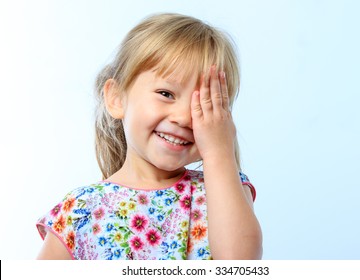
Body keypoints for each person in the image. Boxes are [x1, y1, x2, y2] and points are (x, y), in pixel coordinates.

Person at [36, 13, 262, 260]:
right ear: (117, 98)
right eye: (166, 93)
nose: (184, 118)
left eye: (205, 104)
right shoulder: (79, 211)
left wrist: (219, 153)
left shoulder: (223, 187)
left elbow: (240, 266)